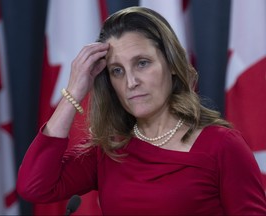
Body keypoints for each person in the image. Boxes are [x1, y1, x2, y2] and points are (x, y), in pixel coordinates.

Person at [17, 6, 266, 215]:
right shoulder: (109, 152)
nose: (131, 81)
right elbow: (34, 187)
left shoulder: (222, 146)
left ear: (171, 64)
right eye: (117, 70)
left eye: (142, 63)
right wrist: (74, 91)